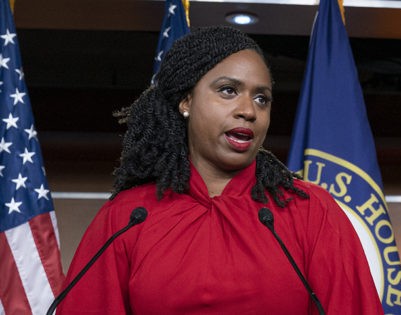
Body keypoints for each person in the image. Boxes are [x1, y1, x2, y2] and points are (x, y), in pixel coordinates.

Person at [57, 26, 384, 314]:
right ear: (186, 101)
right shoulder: (127, 217)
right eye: (228, 90)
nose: (248, 111)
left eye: (261, 99)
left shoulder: (311, 212)